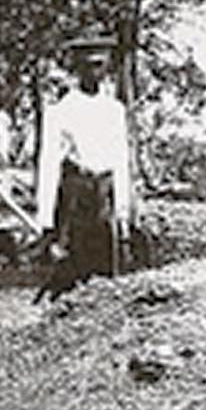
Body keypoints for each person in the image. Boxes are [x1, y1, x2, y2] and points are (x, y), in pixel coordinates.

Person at [34, 32, 132, 299]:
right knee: (70, 270)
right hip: (75, 198)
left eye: (99, 65)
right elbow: (49, 164)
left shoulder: (114, 111)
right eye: (87, 65)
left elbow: (121, 162)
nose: (93, 72)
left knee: (105, 276)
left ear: (107, 66)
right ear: (77, 67)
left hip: (104, 195)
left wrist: (123, 211)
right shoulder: (62, 110)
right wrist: (45, 219)